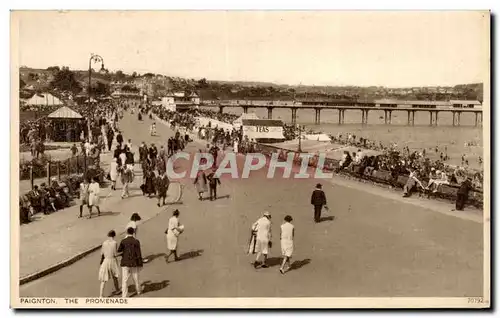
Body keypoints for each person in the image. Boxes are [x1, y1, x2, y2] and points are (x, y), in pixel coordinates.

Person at [118, 227, 143, 298]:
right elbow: (138, 253)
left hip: (125, 262)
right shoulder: (136, 241)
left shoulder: (123, 241)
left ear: (127, 232)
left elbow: (119, 250)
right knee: (136, 278)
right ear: (133, 233)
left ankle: (124, 295)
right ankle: (138, 291)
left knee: (124, 280)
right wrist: (140, 263)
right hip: (134, 262)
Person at [99, 230, 120, 297]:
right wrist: (122, 253)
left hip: (105, 261)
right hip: (112, 261)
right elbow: (115, 254)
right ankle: (117, 290)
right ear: (114, 235)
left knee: (103, 279)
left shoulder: (104, 243)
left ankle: (101, 295)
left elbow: (102, 253)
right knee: (115, 277)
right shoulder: (114, 243)